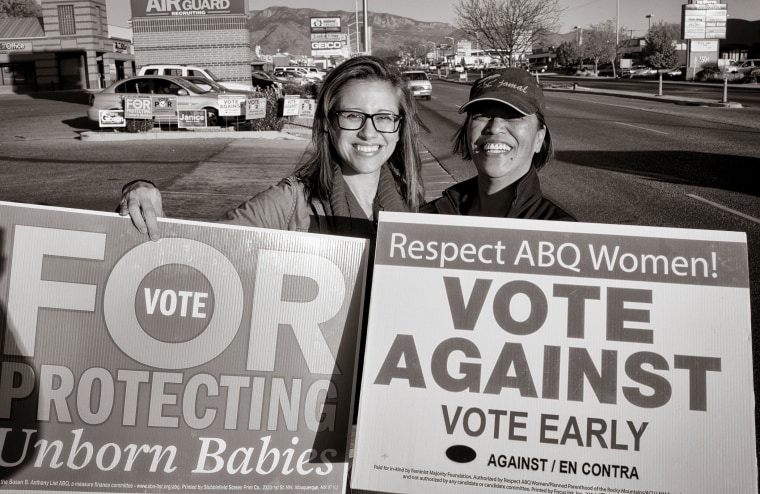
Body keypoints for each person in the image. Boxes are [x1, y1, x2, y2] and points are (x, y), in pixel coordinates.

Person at [119, 55, 425, 240]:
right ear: (329, 124)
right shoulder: (291, 201)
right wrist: (141, 189)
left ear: (400, 127)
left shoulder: (410, 201)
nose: (369, 132)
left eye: (384, 117)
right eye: (352, 116)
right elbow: (201, 248)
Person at [421, 68, 575, 220]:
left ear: (539, 138)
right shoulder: (429, 218)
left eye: (513, 116)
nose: (494, 128)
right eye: (482, 115)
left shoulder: (563, 235)